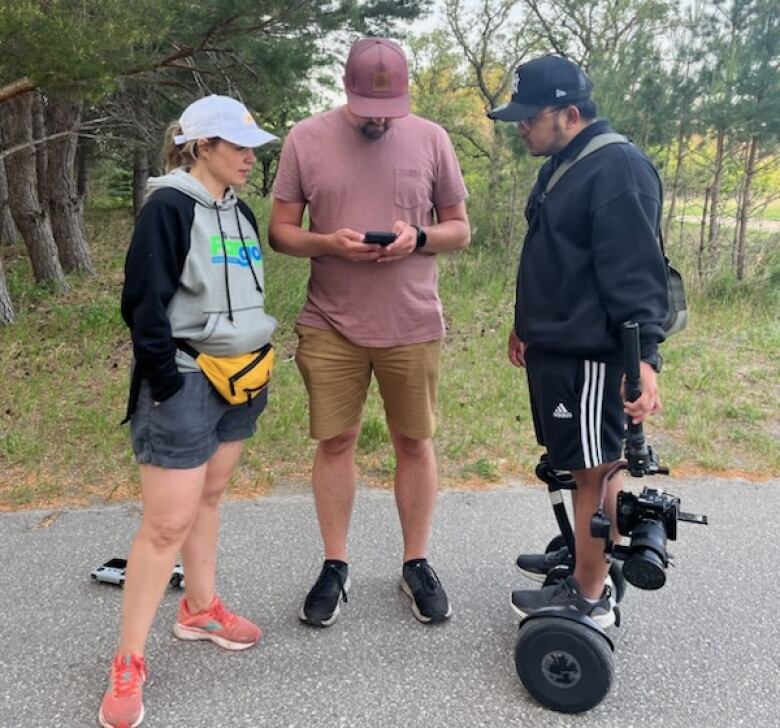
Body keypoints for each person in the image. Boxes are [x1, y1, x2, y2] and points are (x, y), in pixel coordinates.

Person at [268, 38, 470, 627]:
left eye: (391, 108)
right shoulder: (305, 138)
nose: (380, 119)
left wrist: (420, 237)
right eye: (368, 107)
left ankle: (417, 563)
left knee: (414, 443)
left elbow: (460, 228)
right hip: (330, 322)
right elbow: (282, 231)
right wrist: (327, 243)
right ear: (345, 89)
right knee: (336, 442)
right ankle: (335, 565)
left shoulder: (432, 138)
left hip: (412, 321)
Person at [98, 95, 278, 728]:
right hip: (184, 379)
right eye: (237, 146)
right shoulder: (168, 208)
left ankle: (199, 610)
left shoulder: (241, 209)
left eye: (253, 146)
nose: (250, 158)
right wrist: (167, 386)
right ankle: (128, 662)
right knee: (164, 526)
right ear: (202, 146)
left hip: (243, 378)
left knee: (211, 496)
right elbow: (143, 306)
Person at [487, 56, 668, 627]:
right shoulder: (564, 160)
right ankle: (588, 560)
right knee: (581, 464)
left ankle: (589, 598)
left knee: (596, 470)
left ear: (569, 112)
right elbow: (557, 254)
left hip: (590, 353)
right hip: (556, 346)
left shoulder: (618, 168)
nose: (521, 127)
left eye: (529, 117)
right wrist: (527, 323)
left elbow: (638, 271)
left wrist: (646, 362)